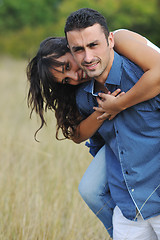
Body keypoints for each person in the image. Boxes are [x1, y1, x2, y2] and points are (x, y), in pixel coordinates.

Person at [27, 29, 160, 239]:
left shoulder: (118, 39)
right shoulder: (84, 86)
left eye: (68, 67)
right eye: (65, 80)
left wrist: (119, 104)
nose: (73, 77)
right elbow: (77, 134)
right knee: (90, 189)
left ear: (72, 47)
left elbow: (158, 72)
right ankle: (126, 229)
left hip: (149, 116)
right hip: (119, 132)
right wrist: (105, 111)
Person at [64, 8, 160, 240]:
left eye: (94, 45)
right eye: (78, 49)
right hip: (129, 208)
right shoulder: (84, 97)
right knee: (89, 189)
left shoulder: (139, 69)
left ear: (110, 40)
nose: (87, 57)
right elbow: (93, 141)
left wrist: (119, 104)